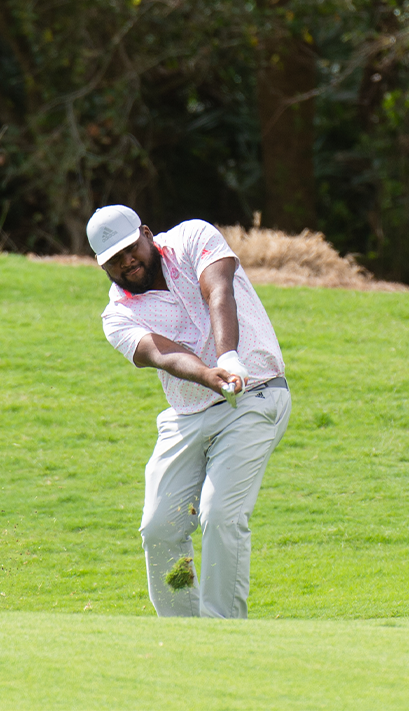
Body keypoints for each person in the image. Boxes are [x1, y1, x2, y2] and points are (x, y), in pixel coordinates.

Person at [87, 205, 290, 618]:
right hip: (187, 413)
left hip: (254, 394)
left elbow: (218, 290)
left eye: (130, 248)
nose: (127, 261)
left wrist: (229, 357)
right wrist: (208, 374)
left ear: (146, 233)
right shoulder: (117, 316)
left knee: (219, 513)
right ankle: (182, 632)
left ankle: (221, 630)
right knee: (159, 528)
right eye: (113, 259)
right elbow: (163, 355)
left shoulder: (192, 237)